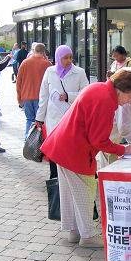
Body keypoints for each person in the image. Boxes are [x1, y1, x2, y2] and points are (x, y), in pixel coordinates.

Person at [40, 70, 131, 248]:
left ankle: (75, 231)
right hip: (74, 150)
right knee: (85, 191)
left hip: (62, 145)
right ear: (122, 89)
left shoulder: (98, 88)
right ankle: (87, 235)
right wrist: (122, 149)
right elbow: (99, 140)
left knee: (70, 192)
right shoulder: (106, 100)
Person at [35, 45, 89, 179]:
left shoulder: (79, 72)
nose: (69, 60)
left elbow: (86, 93)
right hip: (53, 117)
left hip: (72, 116)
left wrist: (69, 96)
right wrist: (39, 117)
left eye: (71, 57)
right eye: (65, 58)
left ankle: (71, 177)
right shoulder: (50, 71)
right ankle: (55, 178)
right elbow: (44, 95)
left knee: (70, 148)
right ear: (59, 58)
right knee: (54, 148)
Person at [16, 43, 52, 140]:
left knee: (29, 120)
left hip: (26, 96)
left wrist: (19, 98)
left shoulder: (25, 63)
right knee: (41, 121)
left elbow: (18, 82)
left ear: (33, 51)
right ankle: (39, 143)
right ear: (44, 52)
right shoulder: (47, 64)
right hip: (41, 98)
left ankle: (27, 140)